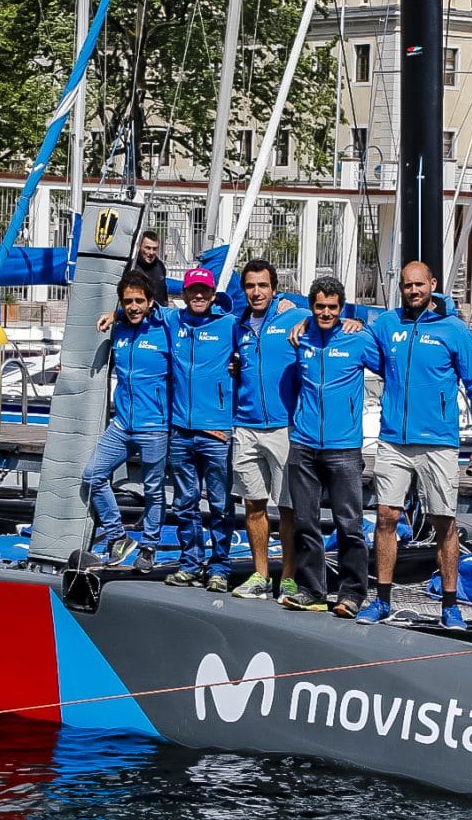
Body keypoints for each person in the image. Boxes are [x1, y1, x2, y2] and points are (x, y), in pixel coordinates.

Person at [363, 261, 472, 627]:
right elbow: (355, 345)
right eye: (407, 285)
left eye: (419, 284)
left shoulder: (453, 330)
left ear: (432, 284)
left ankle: (450, 605)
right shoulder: (387, 325)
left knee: (444, 523)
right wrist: (306, 320)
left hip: (438, 443)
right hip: (393, 441)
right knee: (386, 517)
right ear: (400, 288)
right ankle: (383, 599)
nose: (413, 291)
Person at [280, 277, 382, 617]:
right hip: (304, 445)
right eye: (320, 307)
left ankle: (352, 593)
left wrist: (362, 321)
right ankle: (312, 589)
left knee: (349, 524)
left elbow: (389, 365)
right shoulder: (301, 336)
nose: (326, 313)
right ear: (312, 306)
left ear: (342, 308)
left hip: (343, 448)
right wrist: (303, 321)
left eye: (333, 308)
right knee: (305, 522)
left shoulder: (357, 338)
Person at [227, 259, 308, 601]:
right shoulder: (239, 325)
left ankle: (288, 576)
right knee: (254, 505)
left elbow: (330, 317)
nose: (256, 292)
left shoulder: (293, 315)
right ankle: (260, 575)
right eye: (250, 286)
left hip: (282, 427)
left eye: (262, 285)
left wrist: (303, 311)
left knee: (287, 508)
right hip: (245, 427)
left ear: (274, 288)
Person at [81, 270, 171, 571]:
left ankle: (149, 547)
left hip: (154, 426)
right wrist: (115, 314)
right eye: (127, 301)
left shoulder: (165, 327)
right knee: (92, 475)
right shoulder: (119, 328)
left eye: (139, 301)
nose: (133, 306)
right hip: (121, 425)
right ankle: (118, 536)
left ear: (150, 301)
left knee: (154, 490)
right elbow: (121, 314)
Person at [163, 267, 237, 591]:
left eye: (203, 291)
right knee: (185, 503)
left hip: (216, 433)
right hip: (180, 431)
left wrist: (289, 308)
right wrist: (113, 317)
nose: (198, 296)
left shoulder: (228, 325)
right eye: (192, 290)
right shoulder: (172, 322)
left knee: (220, 505)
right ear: (183, 293)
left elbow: (263, 326)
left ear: (212, 295)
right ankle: (190, 564)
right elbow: (137, 307)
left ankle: (220, 567)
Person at [133, 230, 169, 306]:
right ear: (139, 247)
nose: (151, 252)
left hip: (158, 314)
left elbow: (164, 293)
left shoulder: (160, 265)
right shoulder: (132, 267)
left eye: (154, 249)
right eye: (148, 248)